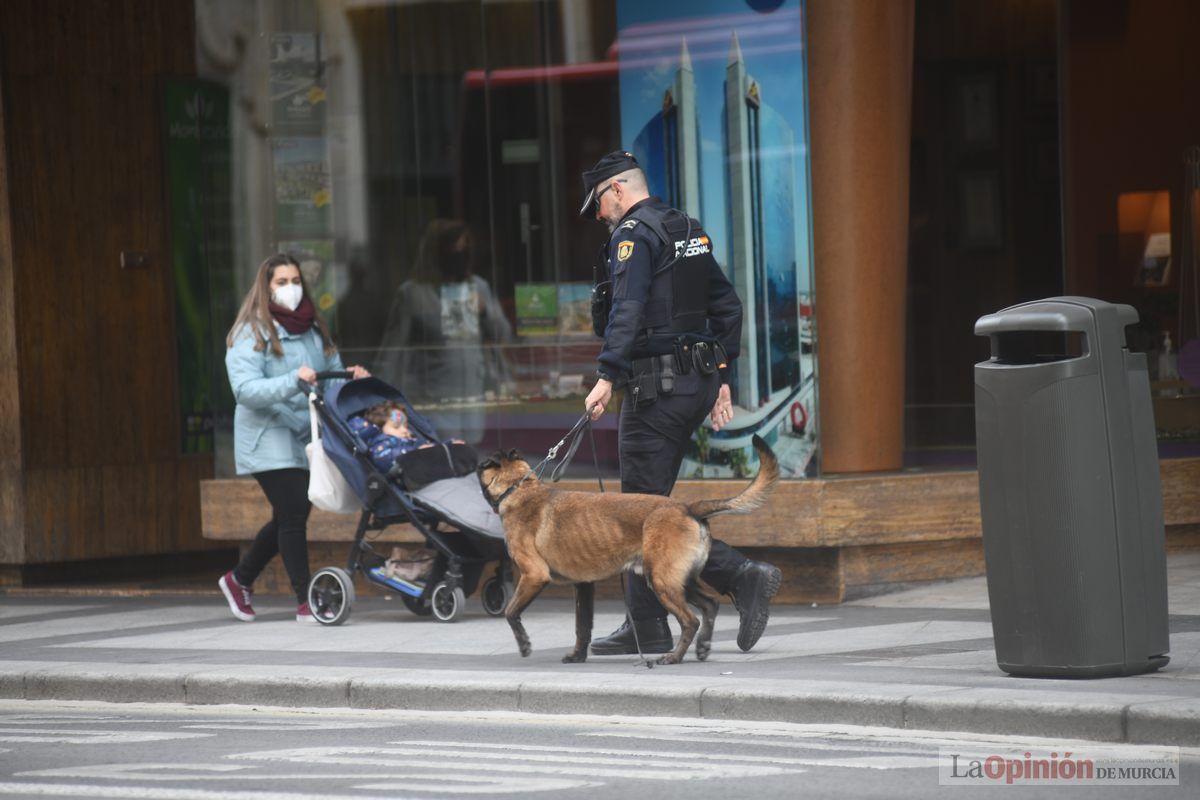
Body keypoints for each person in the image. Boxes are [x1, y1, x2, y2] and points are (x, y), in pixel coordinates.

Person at [580, 150, 782, 655]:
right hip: (692, 385)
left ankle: (740, 575)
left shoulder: (632, 235)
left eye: (599, 205)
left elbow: (627, 310)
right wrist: (721, 377)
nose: (599, 217)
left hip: (658, 389)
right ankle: (645, 625)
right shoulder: (685, 227)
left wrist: (606, 376)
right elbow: (727, 306)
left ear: (617, 191)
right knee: (647, 508)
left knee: (638, 514)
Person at [218, 253, 369, 623]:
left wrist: (350, 376)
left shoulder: (314, 328)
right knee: (293, 515)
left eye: (295, 280)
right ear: (266, 288)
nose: (291, 288)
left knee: (291, 513)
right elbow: (245, 390)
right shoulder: (250, 332)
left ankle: (240, 579)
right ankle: (307, 601)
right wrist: (292, 381)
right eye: (281, 282)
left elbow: (329, 372)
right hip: (267, 435)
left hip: (306, 433)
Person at [375, 219, 513, 444]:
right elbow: (392, 350)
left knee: (471, 455)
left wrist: (485, 310)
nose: (458, 256)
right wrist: (380, 398)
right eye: (452, 250)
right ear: (436, 253)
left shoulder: (477, 287)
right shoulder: (413, 293)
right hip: (434, 398)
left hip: (473, 397)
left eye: (463, 250)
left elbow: (503, 334)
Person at [351, 401, 464, 473]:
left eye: (405, 426)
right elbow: (384, 459)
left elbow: (428, 447)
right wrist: (415, 452)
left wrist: (448, 446)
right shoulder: (381, 444)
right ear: (380, 429)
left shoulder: (411, 440)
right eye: (396, 427)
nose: (404, 430)